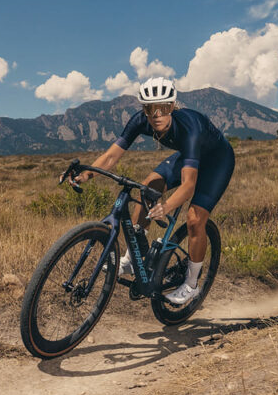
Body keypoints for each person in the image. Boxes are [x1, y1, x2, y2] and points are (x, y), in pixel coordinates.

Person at [75, 77, 235, 305]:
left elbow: (189, 185)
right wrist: (86, 174)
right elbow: (111, 156)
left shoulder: (189, 127)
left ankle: (191, 284)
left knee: (194, 220)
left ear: (172, 107)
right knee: (147, 187)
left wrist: (166, 207)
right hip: (190, 156)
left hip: (217, 161)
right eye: (150, 109)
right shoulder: (140, 121)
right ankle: (132, 259)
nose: (156, 114)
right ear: (144, 109)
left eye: (163, 107)